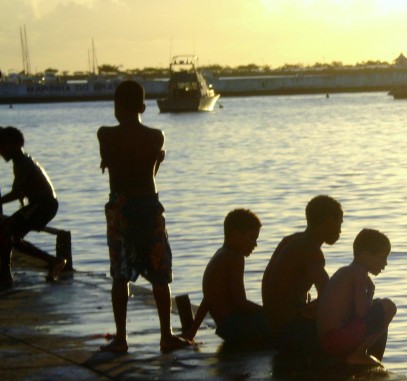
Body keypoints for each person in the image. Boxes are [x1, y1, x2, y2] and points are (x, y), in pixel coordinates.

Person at [97, 80, 190, 353]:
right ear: (143, 106)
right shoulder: (156, 136)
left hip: (121, 208)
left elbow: (112, 164)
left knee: (120, 274)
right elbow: (147, 174)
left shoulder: (105, 135)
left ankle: (122, 338)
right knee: (160, 273)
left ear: (116, 108)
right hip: (148, 205)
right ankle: (166, 335)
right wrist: (157, 161)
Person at [262, 195, 343, 353]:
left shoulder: (291, 240)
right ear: (328, 222)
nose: (340, 230)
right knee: (370, 315)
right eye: (339, 223)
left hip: (274, 323)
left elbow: (267, 282)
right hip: (291, 330)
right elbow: (328, 296)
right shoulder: (311, 250)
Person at [183, 208, 270, 345]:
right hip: (236, 328)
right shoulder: (235, 258)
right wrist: (269, 313)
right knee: (282, 323)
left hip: (225, 328)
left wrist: (191, 332)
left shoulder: (220, 254)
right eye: (252, 238)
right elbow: (240, 302)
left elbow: (208, 299)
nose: (255, 244)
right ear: (235, 235)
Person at [317, 228, 397, 366]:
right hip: (336, 341)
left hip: (327, 341)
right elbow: (361, 312)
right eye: (383, 257)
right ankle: (359, 354)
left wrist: (371, 292)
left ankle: (359, 354)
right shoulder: (358, 273)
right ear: (366, 255)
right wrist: (371, 293)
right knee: (388, 307)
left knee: (378, 305)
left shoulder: (347, 271)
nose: (385, 263)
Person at [0, 126, 66, 287]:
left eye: (3, 146)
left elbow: (17, 192)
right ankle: (53, 261)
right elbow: (21, 190)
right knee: (11, 236)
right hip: (40, 204)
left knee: (5, 232)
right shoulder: (20, 161)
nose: (1, 151)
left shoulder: (23, 163)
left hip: (44, 205)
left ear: (15, 145)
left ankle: (6, 275)